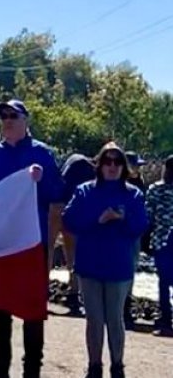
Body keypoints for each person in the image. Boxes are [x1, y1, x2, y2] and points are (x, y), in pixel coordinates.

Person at [0, 99, 64, 378]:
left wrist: (42, 180)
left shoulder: (43, 154)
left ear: (26, 120)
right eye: (3, 117)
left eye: (13, 116)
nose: (7, 121)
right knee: (0, 311)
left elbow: (57, 196)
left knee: (32, 310)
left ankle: (32, 371)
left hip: (31, 243)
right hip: (3, 243)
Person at [62, 143, 148, 378]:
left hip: (119, 266)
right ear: (98, 165)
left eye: (117, 162)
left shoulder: (133, 194)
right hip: (89, 264)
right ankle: (94, 366)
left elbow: (141, 226)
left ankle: (117, 365)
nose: (112, 166)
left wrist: (122, 219)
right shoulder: (84, 191)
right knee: (94, 319)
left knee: (115, 318)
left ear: (123, 166)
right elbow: (68, 221)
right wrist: (97, 220)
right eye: (107, 161)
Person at [60, 153, 96, 315]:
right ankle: (74, 294)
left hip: (62, 210)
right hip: (73, 216)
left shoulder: (75, 161)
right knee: (76, 257)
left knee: (71, 257)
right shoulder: (85, 168)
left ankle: (73, 294)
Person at [144, 155, 173, 337]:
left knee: (163, 282)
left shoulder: (156, 189)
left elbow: (147, 216)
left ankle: (165, 321)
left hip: (161, 241)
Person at [122, 150, 146, 330]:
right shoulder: (120, 185)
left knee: (131, 270)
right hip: (119, 236)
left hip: (134, 235)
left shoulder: (140, 184)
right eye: (135, 165)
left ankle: (125, 307)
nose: (138, 168)